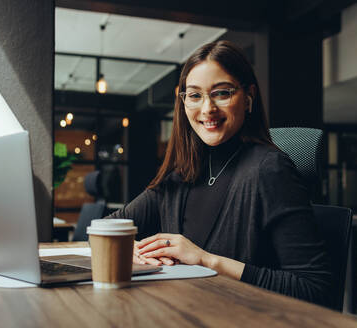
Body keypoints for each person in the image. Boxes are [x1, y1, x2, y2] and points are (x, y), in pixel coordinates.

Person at [106, 40, 332, 306]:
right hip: (184, 311)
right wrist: (130, 250)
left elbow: (314, 288)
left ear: (248, 98)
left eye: (222, 93)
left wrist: (206, 260)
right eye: (194, 95)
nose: (207, 109)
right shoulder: (182, 175)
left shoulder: (270, 170)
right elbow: (108, 227)